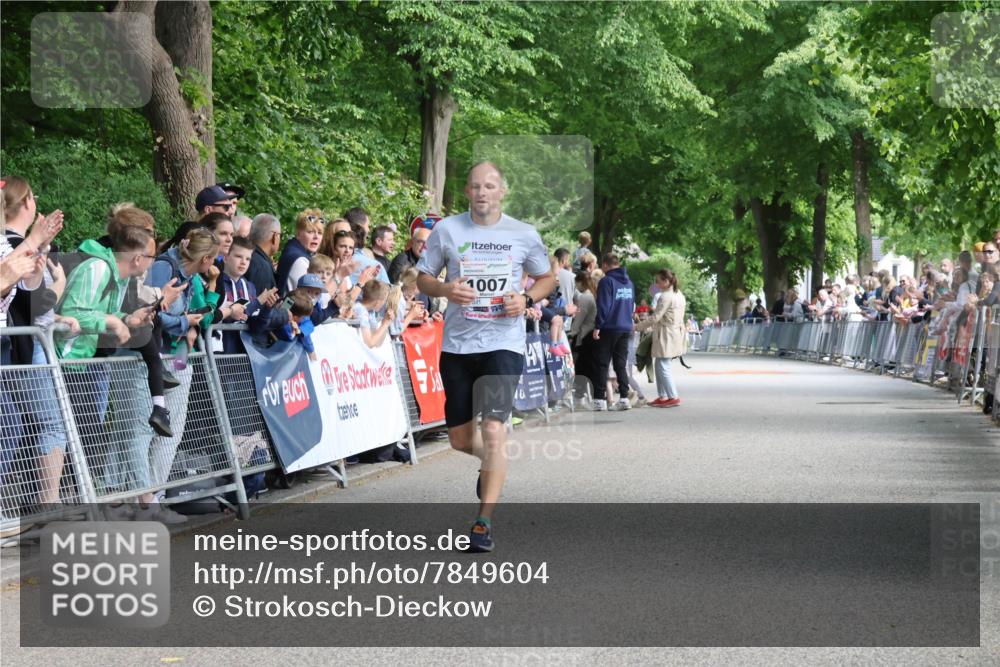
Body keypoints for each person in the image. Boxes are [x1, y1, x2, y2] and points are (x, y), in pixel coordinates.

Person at [416, 161, 555, 553]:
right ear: (466, 192)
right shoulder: (447, 230)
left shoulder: (523, 234)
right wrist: (445, 290)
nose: (482, 193)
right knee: (460, 440)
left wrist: (526, 298)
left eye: (490, 186)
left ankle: (483, 522)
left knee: (494, 429)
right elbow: (423, 275)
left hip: (503, 344)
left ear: (502, 191)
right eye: (475, 186)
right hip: (458, 346)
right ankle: (494, 463)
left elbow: (545, 278)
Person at [635, 269, 687, 407]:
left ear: (665, 281)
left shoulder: (665, 296)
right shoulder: (679, 295)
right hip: (674, 332)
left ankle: (672, 396)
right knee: (661, 364)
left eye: (658, 281)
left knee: (663, 366)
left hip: (666, 334)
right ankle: (663, 396)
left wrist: (637, 327)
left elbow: (655, 317)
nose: (656, 284)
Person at [590, 253, 635, 411]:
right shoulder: (629, 282)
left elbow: (604, 306)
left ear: (605, 265)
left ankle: (599, 400)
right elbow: (631, 305)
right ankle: (624, 397)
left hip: (609, 327)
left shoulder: (606, 281)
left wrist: (597, 326)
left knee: (602, 364)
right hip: (625, 327)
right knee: (620, 365)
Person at [276, 210, 324, 295]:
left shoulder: (293, 249)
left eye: (320, 233)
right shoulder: (300, 260)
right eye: (310, 232)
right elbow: (310, 298)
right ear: (298, 234)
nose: (316, 237)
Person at [275, 289, 318, 361]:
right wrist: (295, 331)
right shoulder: (285, 327)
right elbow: (289, 335)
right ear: (294, 317)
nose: (304, 319)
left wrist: (300, 331)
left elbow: (309, 324)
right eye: (303, 317)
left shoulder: (289, 303)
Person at [245, 213, 281, 294]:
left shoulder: (245, 256)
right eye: (280, 236)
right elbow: (259, 304)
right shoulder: (261, 267)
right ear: (274, 237)